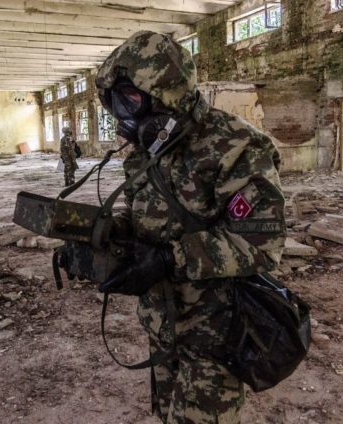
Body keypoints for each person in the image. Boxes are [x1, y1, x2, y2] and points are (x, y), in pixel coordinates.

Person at [94, 31, 287, 423]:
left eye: (132, 101)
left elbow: (261, 244)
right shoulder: (146, 153)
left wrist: (168, 259)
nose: (124, 118)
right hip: (163, 322)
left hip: (216, 328)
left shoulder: (237, 147)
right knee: (167, 414)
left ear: (166, 94)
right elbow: (139, 216)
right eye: (116, 104)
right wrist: (103, 237)